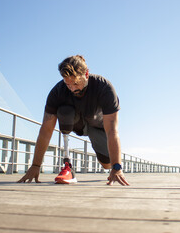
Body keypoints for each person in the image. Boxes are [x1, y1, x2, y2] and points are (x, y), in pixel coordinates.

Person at [18, 55, 129, 186]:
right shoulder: (58, 92)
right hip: (78, 124)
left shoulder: (104, 88)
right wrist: (35, 165)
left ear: (86, 74)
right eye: (67, 84)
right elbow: (45, 131)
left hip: (98, 128)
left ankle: (108, 163)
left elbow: (112, 130)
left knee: (106, 164)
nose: (72, 88)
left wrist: (116, 168)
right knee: (64, 111)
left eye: (75, 83)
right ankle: (67, 166)